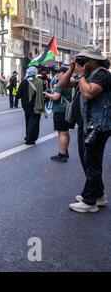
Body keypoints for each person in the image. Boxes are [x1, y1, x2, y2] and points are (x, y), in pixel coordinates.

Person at [57, 45, 111, 213]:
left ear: (94, 60)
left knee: (91, 162)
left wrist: (81, 75)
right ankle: (99, 195)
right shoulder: (87, 74)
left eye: (85, 59)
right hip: (86, 124)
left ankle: (89, 202)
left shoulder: (102, 74)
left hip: (98, 126)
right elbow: (62, 84)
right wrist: (73, 68)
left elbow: (88, 93)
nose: (83, 61)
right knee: (87, 160)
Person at [43, 65, 74, 162]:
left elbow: (56, 97)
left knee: (62, 133)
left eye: (59, 72)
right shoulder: (72, 82)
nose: (57, 74)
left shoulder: (62, 83)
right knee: (66, 132)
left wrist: (47, 94)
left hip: (61, 110)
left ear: (64, 73)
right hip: (68, 110)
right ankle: (65, 151)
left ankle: (62, 154)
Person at [16, 66, 45, 145]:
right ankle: (31, 139)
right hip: (37, 105)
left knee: (28, 121)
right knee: (34, 123)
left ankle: (28, 137)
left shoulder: (24, 82)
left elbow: (18, 95)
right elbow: (43, 92)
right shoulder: (40, 81)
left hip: (26, 106)